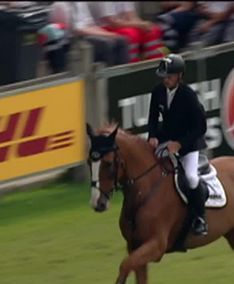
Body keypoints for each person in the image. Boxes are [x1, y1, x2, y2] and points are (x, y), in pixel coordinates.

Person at [147, 53, 208, 235]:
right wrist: (152, 136)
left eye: (169, 76)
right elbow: (152, 118)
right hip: (166, 140)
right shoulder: (157, 91)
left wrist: (180, 144)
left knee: (190, 178)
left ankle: (200, 218)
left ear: (179, 76)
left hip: (188, 144)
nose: (165, 79)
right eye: (163, 76)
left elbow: (200, 126)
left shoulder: (188, 95)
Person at [89, 2, 164, 62]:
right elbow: (112, 23)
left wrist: (144, 25)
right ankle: (132, 65)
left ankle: (155, 63)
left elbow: (132, 17)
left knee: (153, 30)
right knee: (131, 34)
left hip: (124, 25)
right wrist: (140, 25)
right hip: (103, 27)